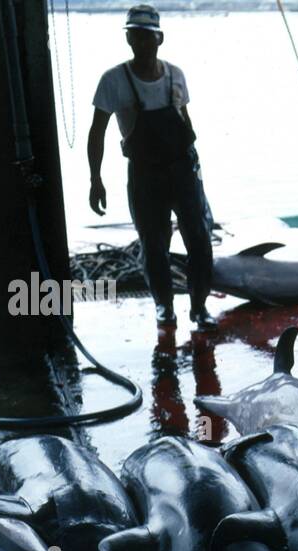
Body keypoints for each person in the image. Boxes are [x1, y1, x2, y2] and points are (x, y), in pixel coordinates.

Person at [87, 4, 214, 329]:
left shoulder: (176, 75)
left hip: (184, 172)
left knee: (199, 241)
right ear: (128, 39)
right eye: (134, 36)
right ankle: (164, 307)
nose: (139, 42)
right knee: (153, 245)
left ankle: (199, 308)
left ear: (159, 38)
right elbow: (97, 132)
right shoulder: (113, 80)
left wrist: (196, 172)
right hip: (145, 176)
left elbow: (185, 122)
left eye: (146, 36)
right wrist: (95, 178)